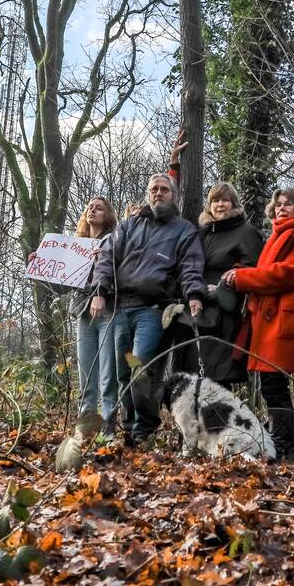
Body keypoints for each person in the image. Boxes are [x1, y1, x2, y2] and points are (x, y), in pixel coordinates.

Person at [90, 173, 207, 446]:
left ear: (174, 196)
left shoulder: (184, 230)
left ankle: (145, 427)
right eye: (154, 189)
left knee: (141, 370)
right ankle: (131, 429)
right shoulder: (130, 225)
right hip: (120, 309)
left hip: (153, 311)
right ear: (148, 194)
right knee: (122, 373)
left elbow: (191, 266)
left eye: (164, 189)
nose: (158, 193)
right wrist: (99, 292)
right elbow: (107, 257)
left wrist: (194, 294)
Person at [222, 188, 294, 450]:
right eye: (278, 205)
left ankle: (284, 442)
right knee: (269, 381)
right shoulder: (277, 236)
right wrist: (242, 272)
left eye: (288, 205)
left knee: (274, 382)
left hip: (284, 319)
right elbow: (266, 271)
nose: (282, 209)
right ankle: (282, 437)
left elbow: (286, 274)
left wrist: (243, 279)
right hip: (267, 318)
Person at [171, 182, 263, 385]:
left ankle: (220, 417)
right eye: (215, 200)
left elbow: (254, 272)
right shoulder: (203, 233)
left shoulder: (246, 232)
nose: (220, 205)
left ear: (234, 204)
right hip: (194, 308)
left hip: (223, 314)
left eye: (225, 200)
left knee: (216, 380)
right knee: (191, 378)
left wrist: (224, 286)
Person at [71, 198, 119, 436]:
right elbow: (62, 284)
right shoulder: (76, 245)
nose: (93, 209)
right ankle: (85, 429)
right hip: (82, 312)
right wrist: (39, 266)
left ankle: (108, 431)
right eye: (89, 206)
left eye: (99, 207)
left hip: (108, 311)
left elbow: (124, 273)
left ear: (108, 214)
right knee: (86, 373)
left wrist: (106, 260)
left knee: (108, 374)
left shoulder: (115, 240)